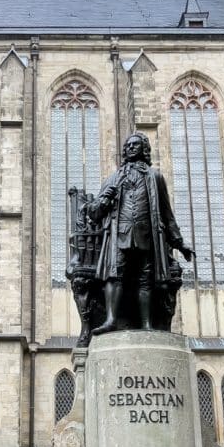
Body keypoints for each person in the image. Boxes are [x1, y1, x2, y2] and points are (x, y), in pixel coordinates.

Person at [84, 132, 194, 334]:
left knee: (146, 277)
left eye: (135, 145)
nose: (130, 148)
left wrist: (179, 243)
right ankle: (111, 320)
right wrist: (104, 201)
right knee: (114, 274)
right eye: (128, 146)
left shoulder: (155, 177)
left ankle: (146, 323)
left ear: (144, 149)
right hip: (119, 234)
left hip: (147, 235)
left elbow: (166, 213)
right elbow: (94, 213)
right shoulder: (114, 178)